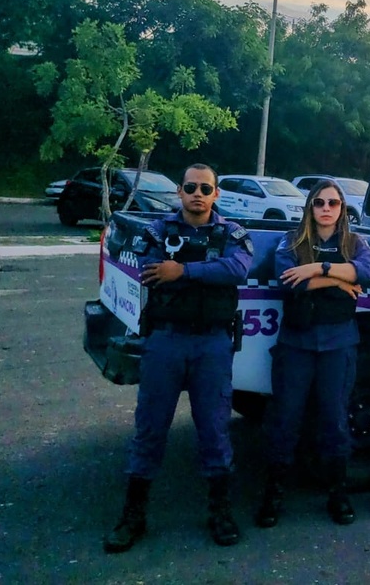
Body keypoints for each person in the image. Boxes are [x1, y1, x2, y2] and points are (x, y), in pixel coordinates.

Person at [103, 163, 253, 553]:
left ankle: (220, 512)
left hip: (212, 346)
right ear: (180, 193)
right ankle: (133, 516)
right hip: (166, 342)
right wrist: (198, 271)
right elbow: (152, 269)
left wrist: (183, 270)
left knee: (215, 430)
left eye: (206, 188)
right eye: (190, 187)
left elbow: (237, 267)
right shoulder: (158, 232)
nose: (198, 193)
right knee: (150, 429)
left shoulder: (232, 233)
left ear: (216, 194)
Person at [255, 179, 370, 528]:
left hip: (338, 345)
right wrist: (339, 280)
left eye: (333, 203)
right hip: (297, 344)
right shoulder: (292, 242)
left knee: (335, 421)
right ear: (310, 207)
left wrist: (318, 269)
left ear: (342, 208)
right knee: (285, 421)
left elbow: (365, 271)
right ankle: (273, 494)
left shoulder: (355, 242)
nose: (326, 208)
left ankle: (338, 494)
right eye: (319, 202)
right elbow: (289, 280)